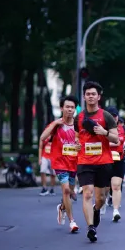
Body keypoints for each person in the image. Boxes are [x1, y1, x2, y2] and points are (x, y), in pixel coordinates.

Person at [74, 81, 119, 242]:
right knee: (87, 193)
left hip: (103, 162)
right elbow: (77, 136)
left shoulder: (106, 116)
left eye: (93, 94)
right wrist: (76, 144)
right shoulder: (78, 118)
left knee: (100, 198)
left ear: (99, 97)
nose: (91, 96)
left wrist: (104, 132)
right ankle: (91, 227)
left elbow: (117, 140)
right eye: (88, 94)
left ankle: (96, 209)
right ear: (84, 96)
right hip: (85, 161)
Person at [40, 95, 80, 233]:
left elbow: (82, 142)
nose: (70, 109)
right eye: (67, 107)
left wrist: (80, 146)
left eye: (72, 107)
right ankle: (72, 221)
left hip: (74, 163)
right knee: (66, 190)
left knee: (70, 191)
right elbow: (43, 137)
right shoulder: (56, 124)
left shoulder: (78, 124)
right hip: (60, 163)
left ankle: (62, 207)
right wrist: (55, 124)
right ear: (62, 108)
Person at [105, 107, 125, 222]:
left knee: (116, 186)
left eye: (115, 116)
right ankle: (102, 203)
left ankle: (116, 211)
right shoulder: (101, 129)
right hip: (104, 161)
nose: (113, 118)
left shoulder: (123, 129)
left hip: (119, 160)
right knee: (105, 188)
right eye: (110, 116)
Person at [38, 123, 56, 196]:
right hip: (45, 156)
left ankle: (52, 188)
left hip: (53, 157)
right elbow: (40, 147)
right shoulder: (44, 137)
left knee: (53, 174)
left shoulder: (55, 136)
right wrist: (40, 158)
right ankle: (44, 188)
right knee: (42, 171)